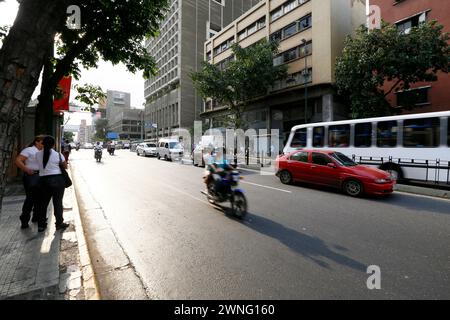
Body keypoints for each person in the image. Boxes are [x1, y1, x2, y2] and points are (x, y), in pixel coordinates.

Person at [35, 135, 69, 232]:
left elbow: (40, 166)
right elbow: (65, 166)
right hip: (57, 180)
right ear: (53, 145)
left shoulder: (37, 154)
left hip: (43, 181)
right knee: (57, 203)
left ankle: (41, 225)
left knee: (43, 204)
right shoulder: (58, 155)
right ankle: (59, 223)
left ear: (42, 144)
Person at [14, 135, 46, 229]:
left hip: (42, 176)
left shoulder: (44, 151)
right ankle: (24, 219)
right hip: (32, 176)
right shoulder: (29, 150)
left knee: (40, 198)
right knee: (30, 198)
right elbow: (18, 160)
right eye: (42, 142)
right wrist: (26, 169)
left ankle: (36, 217)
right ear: (37, 142)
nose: (44, 144)